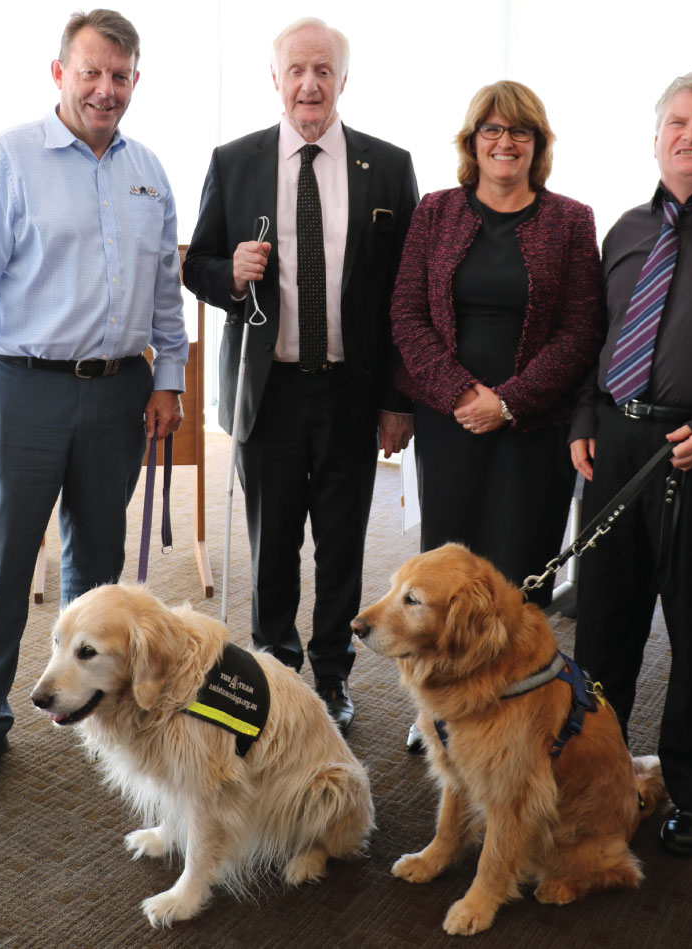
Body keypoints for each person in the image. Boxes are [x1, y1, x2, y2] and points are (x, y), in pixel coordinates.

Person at [183, 17, 418, 735]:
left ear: (342, 81)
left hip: (350, 389)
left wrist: (397, 398)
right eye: (297, 71)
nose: (309, 84)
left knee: (343, 542)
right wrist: (230, 274)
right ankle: (274, 671)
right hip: (271, 390)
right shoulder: (236, 160)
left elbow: (409, 293)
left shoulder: (388, 163)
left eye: (324, 71)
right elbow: (197, 265)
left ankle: (335, 675)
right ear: (276, 79)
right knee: (273, 540)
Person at [0, 9, 189, 794]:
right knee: (1, 566)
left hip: (118, 394)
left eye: (120, 76)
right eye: (92, 73)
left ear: (137, 79)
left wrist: (168, 376)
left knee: (98, 569)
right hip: (21, 388)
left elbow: (164, 295)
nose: (106, 90)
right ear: (59, 73)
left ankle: (93, 710)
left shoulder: (149, 169)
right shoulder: (9, 157)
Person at [570, 71, 692, 857]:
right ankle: (591, 776)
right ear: (656, 137)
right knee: (603, 622)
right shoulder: (628, 229)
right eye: (679, 121)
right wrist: (584, 416)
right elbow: (598, 337)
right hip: (617, 446)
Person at [391, 81, 601, 603]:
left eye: (520, 130)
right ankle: (448, 685)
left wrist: (507, 403)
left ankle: (518, 684)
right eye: (492, 128)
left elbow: (580, 332)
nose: (505, 141)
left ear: (538, 142)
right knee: (446, 578)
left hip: (533, 426)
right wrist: (463, 395)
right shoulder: (435, 211)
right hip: (450, 422)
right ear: (473, 140)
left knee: (519, 577)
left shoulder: (572, 220)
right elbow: (407, 315)